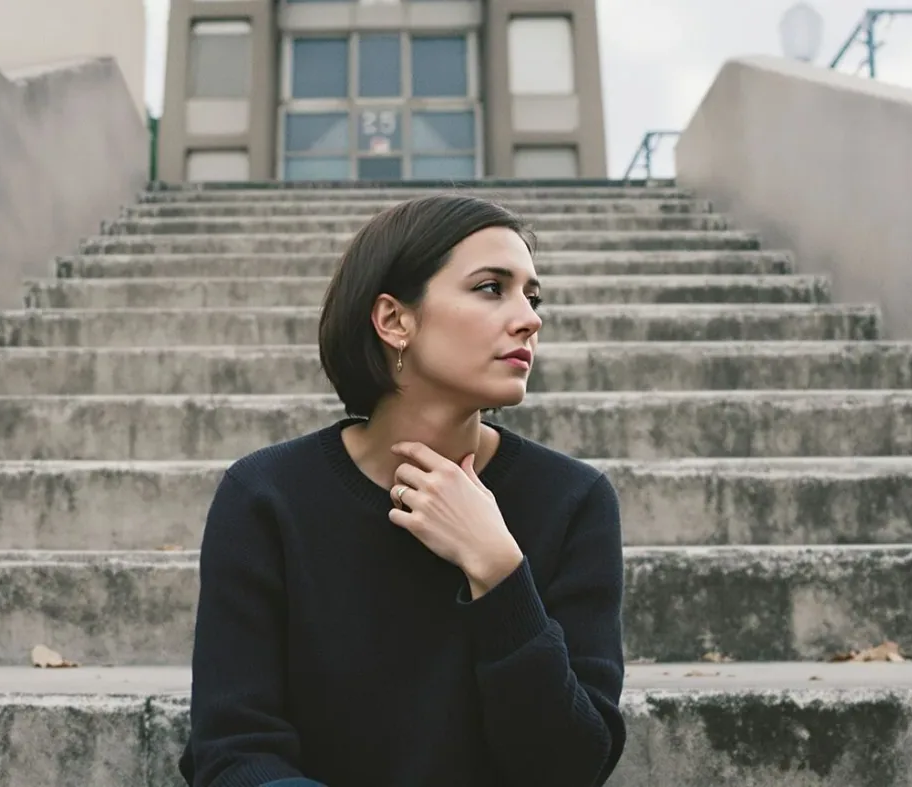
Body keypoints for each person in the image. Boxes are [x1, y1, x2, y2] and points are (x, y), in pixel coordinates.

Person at [178, 194, 627, 787]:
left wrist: (498, 571)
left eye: (532, 295)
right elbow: (233, 749)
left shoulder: (574, 500)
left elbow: (572, 765)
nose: (530, 318)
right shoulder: (266, 496)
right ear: (394, 320)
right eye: (492, 288)